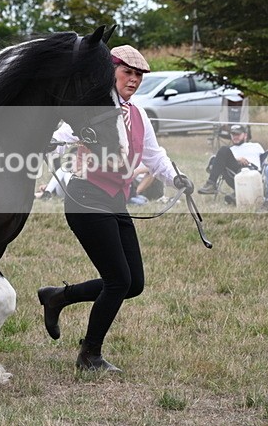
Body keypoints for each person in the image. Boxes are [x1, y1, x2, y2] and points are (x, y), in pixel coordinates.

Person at [37, 45, 194, 372]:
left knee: (133, 283)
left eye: (139, 75)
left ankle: (58, 297)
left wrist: (176, 177)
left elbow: (154, 155)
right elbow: (60, 135)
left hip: (115, 200)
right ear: (110, 71)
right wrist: (47, 140)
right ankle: (89, 355)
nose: (134, 79)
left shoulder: (138, 114)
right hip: (85, 197)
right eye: (128, 72)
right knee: (118, 280)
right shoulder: (92, 109)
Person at [198, 124, 265, 196]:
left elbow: (264, 161)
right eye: (233, 134)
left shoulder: (255, 146)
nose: (235, 137)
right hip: (235, 173)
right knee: (223, 149)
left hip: (253, 172)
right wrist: (237, 159)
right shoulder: (229, 150)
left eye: (238, 134)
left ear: (245, 135)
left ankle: (236, 196)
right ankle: (211, 184)